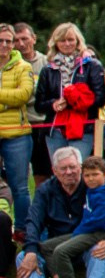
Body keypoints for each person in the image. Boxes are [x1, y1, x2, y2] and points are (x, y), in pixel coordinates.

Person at [11, 145, 90, 278]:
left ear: (80, 167)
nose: (69, 172)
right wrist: (31, 250)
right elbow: (33, 220)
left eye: (73, 167)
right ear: (54, 171)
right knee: (24, 256)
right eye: (63, 168)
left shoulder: (91, 187)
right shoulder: (46, 190)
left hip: (84, 246)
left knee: (99, 253)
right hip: (54, 250)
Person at [33, 23, 105, 168]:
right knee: (60, 171)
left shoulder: (92, 65)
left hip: (83, 128)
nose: (67, 44)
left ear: (78, 41)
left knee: (76, 168)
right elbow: (39, 104)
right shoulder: (48, 69)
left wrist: (73, 101)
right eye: (62, 40)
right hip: (56, 129)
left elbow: (100, 99)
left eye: (71, 40)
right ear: (55, 43)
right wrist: (53, 104)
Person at [0, 23, 33, 212]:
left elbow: (23, 95)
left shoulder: (23, 66)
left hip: (17, 134)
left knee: (20, 187)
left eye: (8, 41)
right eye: (1, 40)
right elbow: (15, 96)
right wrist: (8, 100)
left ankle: (22, 230)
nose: (4, 44)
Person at [14, 21, 51, 183]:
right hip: (18, 124)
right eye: (16, 40)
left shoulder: (46, 62)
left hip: (41, 123)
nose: (21, 44)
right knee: (15, 175)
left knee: (42, 171)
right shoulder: (11, 65)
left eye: (24, 39)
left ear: (34, 38)